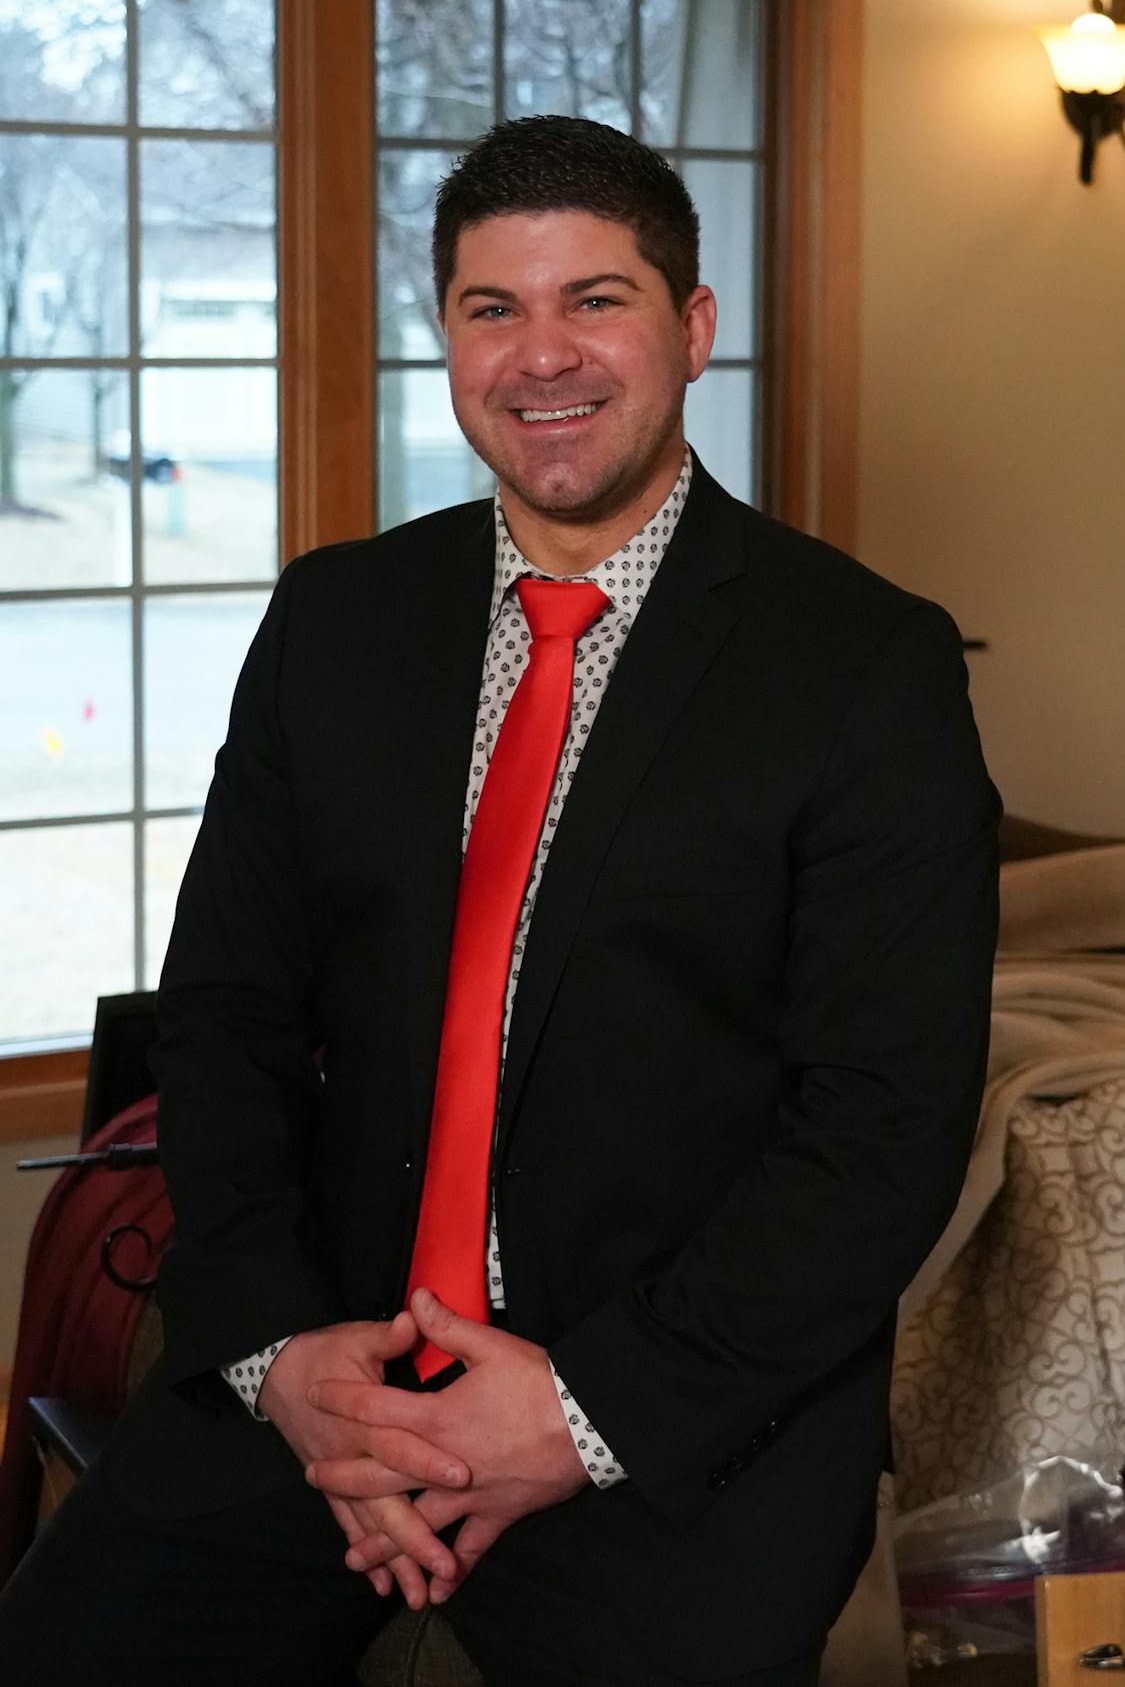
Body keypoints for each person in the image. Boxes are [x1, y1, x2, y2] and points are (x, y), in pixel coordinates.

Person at [0, 115, 999, 1686]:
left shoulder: (865, 667)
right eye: (493, 308)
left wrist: (577, 1412)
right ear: (447, 335)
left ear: (691, 327)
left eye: (597, 300)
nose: (545, 357)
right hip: (331, 1367)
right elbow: (226, 1016)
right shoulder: (337, 619)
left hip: (670, 1426)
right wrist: (282, 1359)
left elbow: (882, 1128)